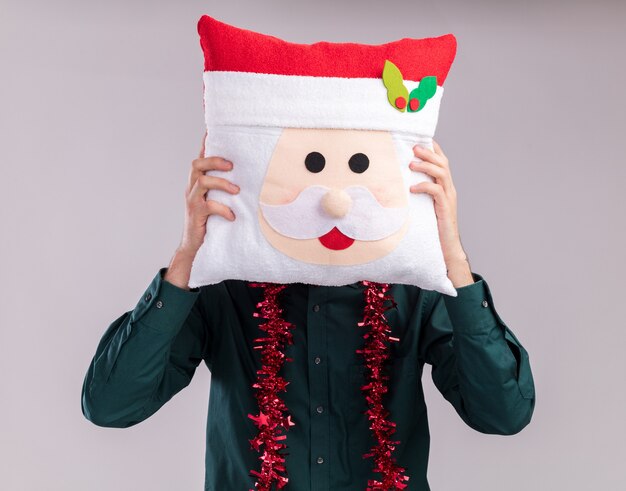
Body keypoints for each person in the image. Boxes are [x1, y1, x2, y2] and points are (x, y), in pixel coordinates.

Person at [81, 132, 536, 490]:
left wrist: (452, 258)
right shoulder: (224, 285)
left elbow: (503, 414)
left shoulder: (414, 288)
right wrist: (187, 257)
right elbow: (110, 405)